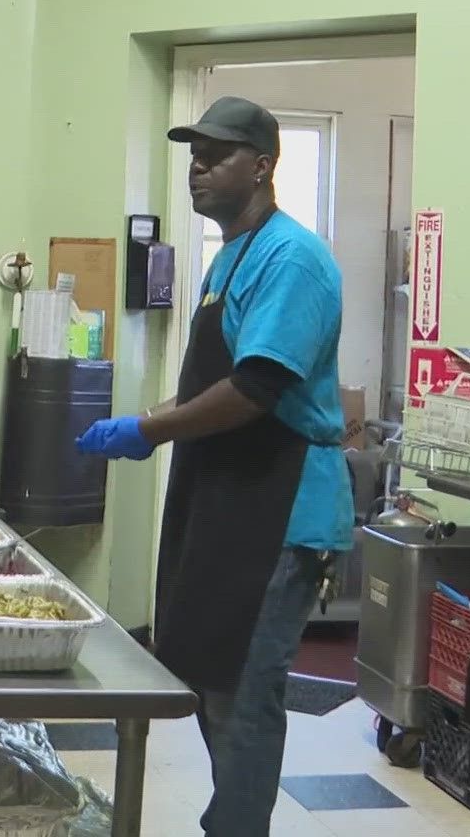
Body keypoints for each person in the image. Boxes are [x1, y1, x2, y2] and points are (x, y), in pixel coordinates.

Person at [77, 96, 353, 837]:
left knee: (244, 688)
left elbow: (257, 390)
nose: (196, 168)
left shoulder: (293, 258)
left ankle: (237, 827)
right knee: (209, 674)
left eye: (216, 154)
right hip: (229, 496)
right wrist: (151, 416)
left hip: (280, 503)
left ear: (262, 165)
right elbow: (209, 384)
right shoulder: (231, 255)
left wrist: (150, 428)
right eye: (192, 153)